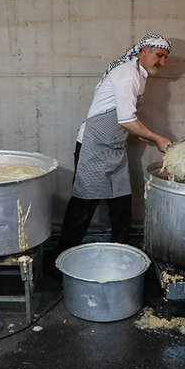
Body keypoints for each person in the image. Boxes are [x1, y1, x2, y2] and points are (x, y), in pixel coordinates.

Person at [56, 34, 173, 253]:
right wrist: (157, 138)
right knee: (83, 205)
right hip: (93, 145)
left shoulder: (140, 75)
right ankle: (61, 258)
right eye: (159, 55)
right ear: (144, 51)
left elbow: (127, 116)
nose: (162, 62)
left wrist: (143, 135)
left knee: (121, 206)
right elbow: (127, 120)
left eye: (165, 58)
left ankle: (121, 255)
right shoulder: (128, 74)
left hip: (114, 147)